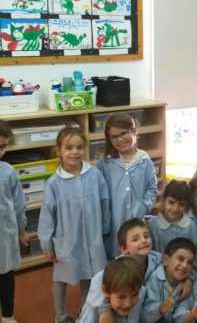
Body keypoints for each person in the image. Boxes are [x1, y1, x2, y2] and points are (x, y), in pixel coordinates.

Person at [38, 127, 110, 323]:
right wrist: (47, 245)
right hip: (66, 240)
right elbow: (47, 216)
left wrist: (105, 229)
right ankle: (61, 315)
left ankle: (84, 310)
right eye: (69, 147)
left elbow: (104, 202)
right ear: (58, 150)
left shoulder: (94, 175)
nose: (75, 152)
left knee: (89, 275)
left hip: (93, 238)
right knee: (61, 277)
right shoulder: (54, 183)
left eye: (79, 147)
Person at [84, 218, 191, 322]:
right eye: (135, 239)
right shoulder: (117, 266)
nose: (143, 240)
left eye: (146, 236)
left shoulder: (158, 259)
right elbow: (98, 281)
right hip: (117, 310)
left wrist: (189, 279)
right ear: (124, 249)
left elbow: (177, 264)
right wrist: (105, 309)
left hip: (139, 308)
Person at [97, 112, 158, 259]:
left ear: (134, 131)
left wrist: (143, 206)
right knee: (117, 257)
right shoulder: (105, 162)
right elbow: (100, 193)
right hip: (114, 222)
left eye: (124, 133)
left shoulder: (144, 160)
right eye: (114, 137)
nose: (119, 139)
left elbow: (152, 188)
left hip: (137, 219)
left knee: (137, 255)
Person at [0, 120, 28, 323]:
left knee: (5, 277)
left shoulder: (7, 171)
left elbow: (18, 204)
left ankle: (8, 317)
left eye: (3, 147)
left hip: (4, 235)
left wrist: (21, 229)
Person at [142, 238, 196, 323]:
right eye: (180, 259)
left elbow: (181, 314)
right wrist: (160, 309)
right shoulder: (155, 279)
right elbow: (146, 315)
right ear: (166, 260)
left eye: (189, 262)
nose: (185, 265)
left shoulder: (187, 286)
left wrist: (190, 316)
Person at [78, 257, 145, 323]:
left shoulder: (141, 292)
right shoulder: (92, 309)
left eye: (134, 295)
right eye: (121, 297)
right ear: (105, 291)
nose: (128, 304)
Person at [145, 180, 197, 254]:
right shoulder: (153, 225)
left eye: (181, 204)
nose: (175, 208)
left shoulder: (190, 226)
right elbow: (150, 252)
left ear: (186, 205)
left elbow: (195, 250)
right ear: (164, 200)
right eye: (171, 202)